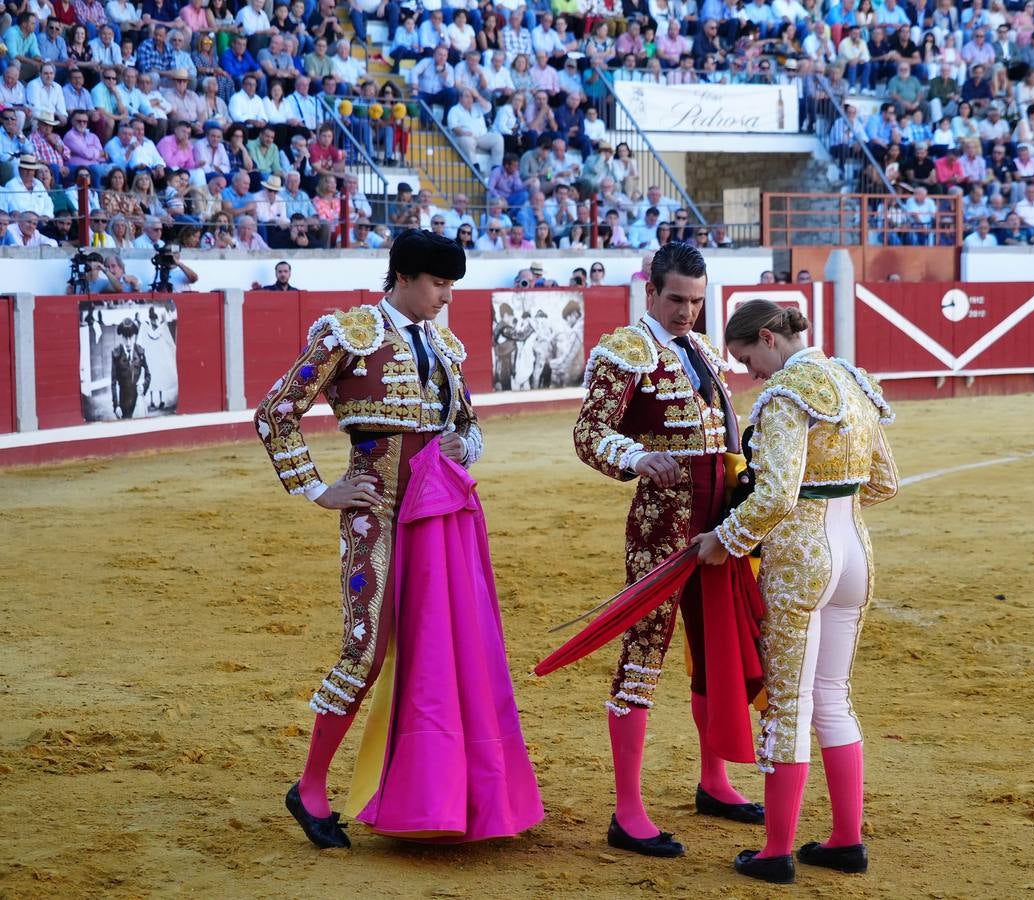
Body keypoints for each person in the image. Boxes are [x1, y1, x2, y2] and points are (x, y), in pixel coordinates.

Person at [254, 230, 544, 850]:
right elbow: (276, 411)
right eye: (439, 285)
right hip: (376, 515)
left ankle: (435, 792)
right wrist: (316, 488)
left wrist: (462, 449)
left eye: (450, 287)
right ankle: (309, 788)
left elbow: (467, 426)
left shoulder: (442, 344)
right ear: (405, 278)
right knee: (365, 650)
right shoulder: (348, 334)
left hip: (439, 518)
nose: (445, 298)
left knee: (440, 648)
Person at [691, 299, 897, 885]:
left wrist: (725, 539)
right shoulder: (853, 382)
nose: (752, 373)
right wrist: (835, 496)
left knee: (790, 706)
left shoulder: (785, 395)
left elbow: (777, 495)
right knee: (834, 697)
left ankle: (776, 851)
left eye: (748, 358)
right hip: (856, 549)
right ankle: (845, 840)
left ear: (767, 338)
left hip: (801, 560)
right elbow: (885, 482)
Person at [572, 242, 760, 860]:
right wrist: (634, 456)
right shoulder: (626, 349)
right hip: (663, 524)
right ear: (650, 292)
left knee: (714, 649)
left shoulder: (704, 350)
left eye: (698, 302)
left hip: (718, 523)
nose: (687, 312)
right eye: (677, 299)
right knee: (645, 653)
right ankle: (627, 810)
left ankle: (714, 780)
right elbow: (589, 433)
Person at [110, 317, 152, 420]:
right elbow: (113, 383)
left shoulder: (140, 352)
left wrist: (144, 386)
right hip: (123, 403)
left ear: (135, 336)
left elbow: (148, 375)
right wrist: (116, 406)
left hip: (138, 401)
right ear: (121, 337)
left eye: (131, 337)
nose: (128, 342)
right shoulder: (116, 354)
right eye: (125, 338)